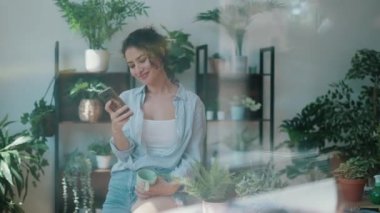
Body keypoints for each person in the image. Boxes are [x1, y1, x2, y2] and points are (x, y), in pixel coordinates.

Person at [102, 27, 206, 213]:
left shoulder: (192, 103)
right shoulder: (128, 98)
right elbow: (125, 156)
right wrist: (116, 128)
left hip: (163, 184)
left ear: (159, 54)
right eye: (132, 65)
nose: (137, 70)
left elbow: (194, 158)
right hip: (123, 182)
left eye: (142, 60)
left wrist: (170, 186)